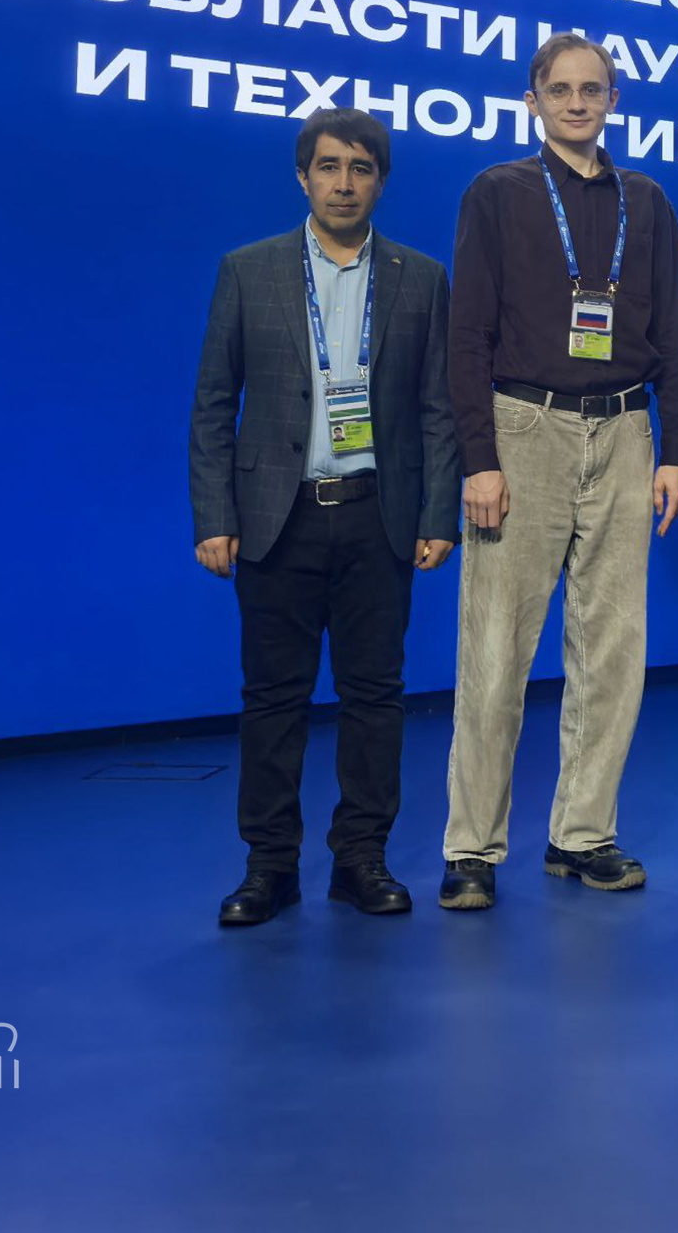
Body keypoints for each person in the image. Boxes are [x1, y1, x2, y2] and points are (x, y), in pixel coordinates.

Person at [437, 32, 678, 909]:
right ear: (534, 101)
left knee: (614, 649)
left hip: (625, 430)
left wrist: (677, 451)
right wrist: (479, 459)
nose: (578, 103)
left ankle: (582, 836)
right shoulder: (499, 192)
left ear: (614, 100)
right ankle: (472, 848)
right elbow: (467, 335)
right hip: (524, 429)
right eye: (561, 90)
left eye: (593, 90)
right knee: (495, 649)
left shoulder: (647, 201)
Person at [190, 107, 461, 926]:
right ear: (303, 177)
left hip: (380, 515)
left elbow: (438, 407)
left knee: (375, 696)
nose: (345, 183)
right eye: (330, 167)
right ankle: (269, 866)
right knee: (272, 699)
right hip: (278, 517)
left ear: (382, 181)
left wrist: (438, 513)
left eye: (361, 168)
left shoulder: (421, 277)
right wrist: (213, 514)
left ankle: (360, 859)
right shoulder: (249, 269)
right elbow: (213, 403)